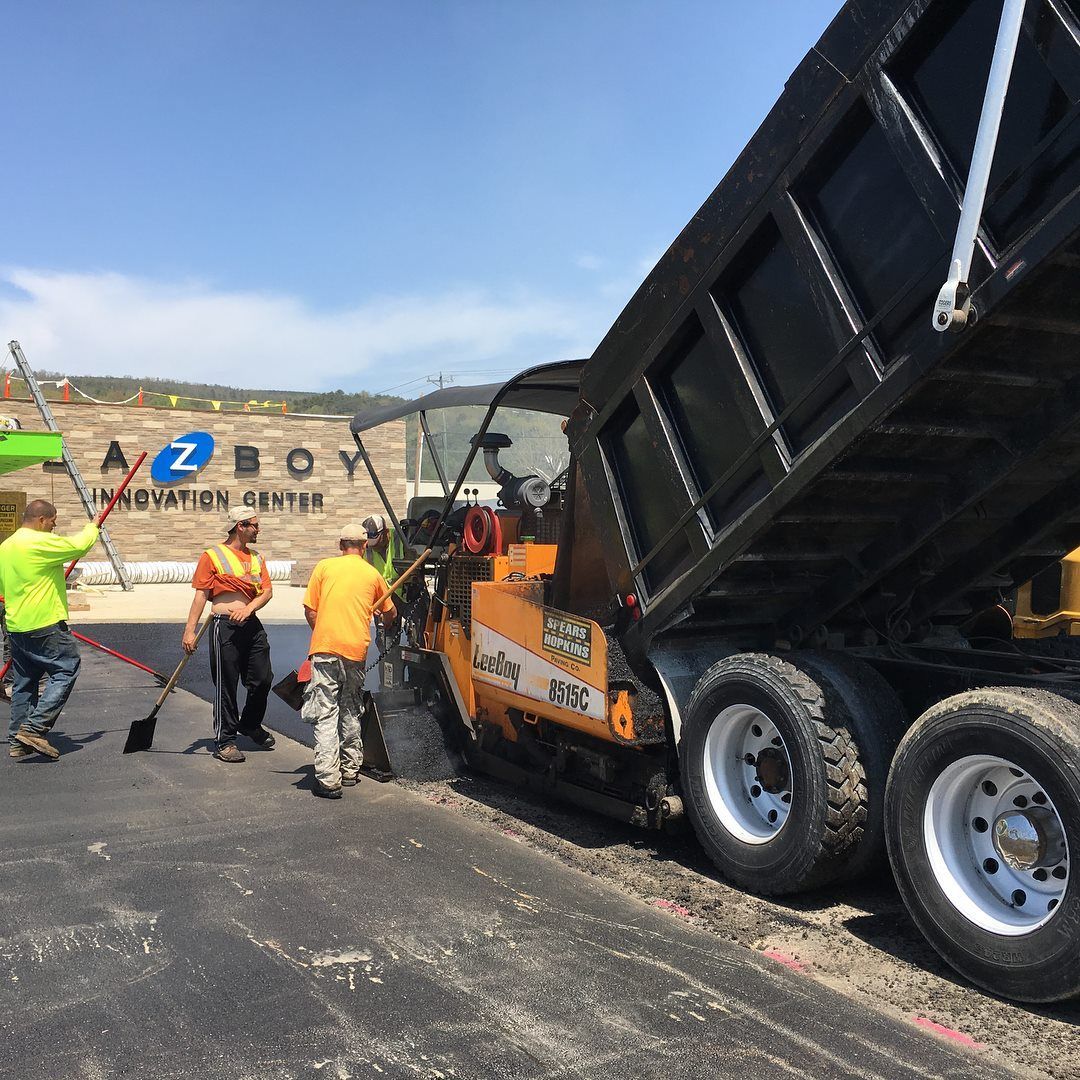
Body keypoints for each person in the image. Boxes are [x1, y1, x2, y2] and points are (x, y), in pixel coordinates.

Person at [0, 499, 102, 760]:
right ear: (41, 520)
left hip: (17, 625)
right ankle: (34, 728)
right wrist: (93, 526)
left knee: (25, 682)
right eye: (53, 522)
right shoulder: (37, 542)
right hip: (44, 624)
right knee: (67, 667)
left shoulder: (7, 547)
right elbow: (79, 545)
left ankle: (17, 741)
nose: (54, 527)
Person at [302, 520, 396, 799]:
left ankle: (329, 780)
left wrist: (323, 636)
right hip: (356, 651)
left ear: (341, 545)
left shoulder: (324, 567)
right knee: (351, 706)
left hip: (326, 648)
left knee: (326, 710)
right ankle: (350, 769)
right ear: (365, 546)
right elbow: (389, 614)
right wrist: (381, 616)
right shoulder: (372, 575)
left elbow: (310, 610)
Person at [183, 505, 275, 763]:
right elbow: (201, 594)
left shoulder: (257, 558)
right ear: (240, 526)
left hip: (251, 623)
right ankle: (226, 741)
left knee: (263, 678)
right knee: (226, 685)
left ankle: (250, 724)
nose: (258, 529)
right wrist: (190, 631)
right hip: (224, 626)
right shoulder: (212, 556)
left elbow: (266, 591)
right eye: (254, 525)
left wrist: (249, 609)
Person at [361, 513, 409, 598]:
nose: (374, 547)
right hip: (380, 601)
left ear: (386, 532)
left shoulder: (402, 540)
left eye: (377, 543)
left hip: (403, 600)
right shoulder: (364, 548)